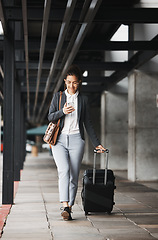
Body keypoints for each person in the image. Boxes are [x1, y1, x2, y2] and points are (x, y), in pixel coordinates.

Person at [48, 65, 106, 221]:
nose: (70, 86)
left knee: (73, 175)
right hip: (58, 140)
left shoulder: (83, 100)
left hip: (76, 140)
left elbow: (88, 123)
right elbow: (50, 117)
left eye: (74, 82)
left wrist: (97, 143)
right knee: (64, 170)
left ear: (79, 82)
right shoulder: (58, 97)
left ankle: (69, 208)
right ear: (65, 81)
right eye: (68, 82)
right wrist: (63, 112)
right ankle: (64, 205)